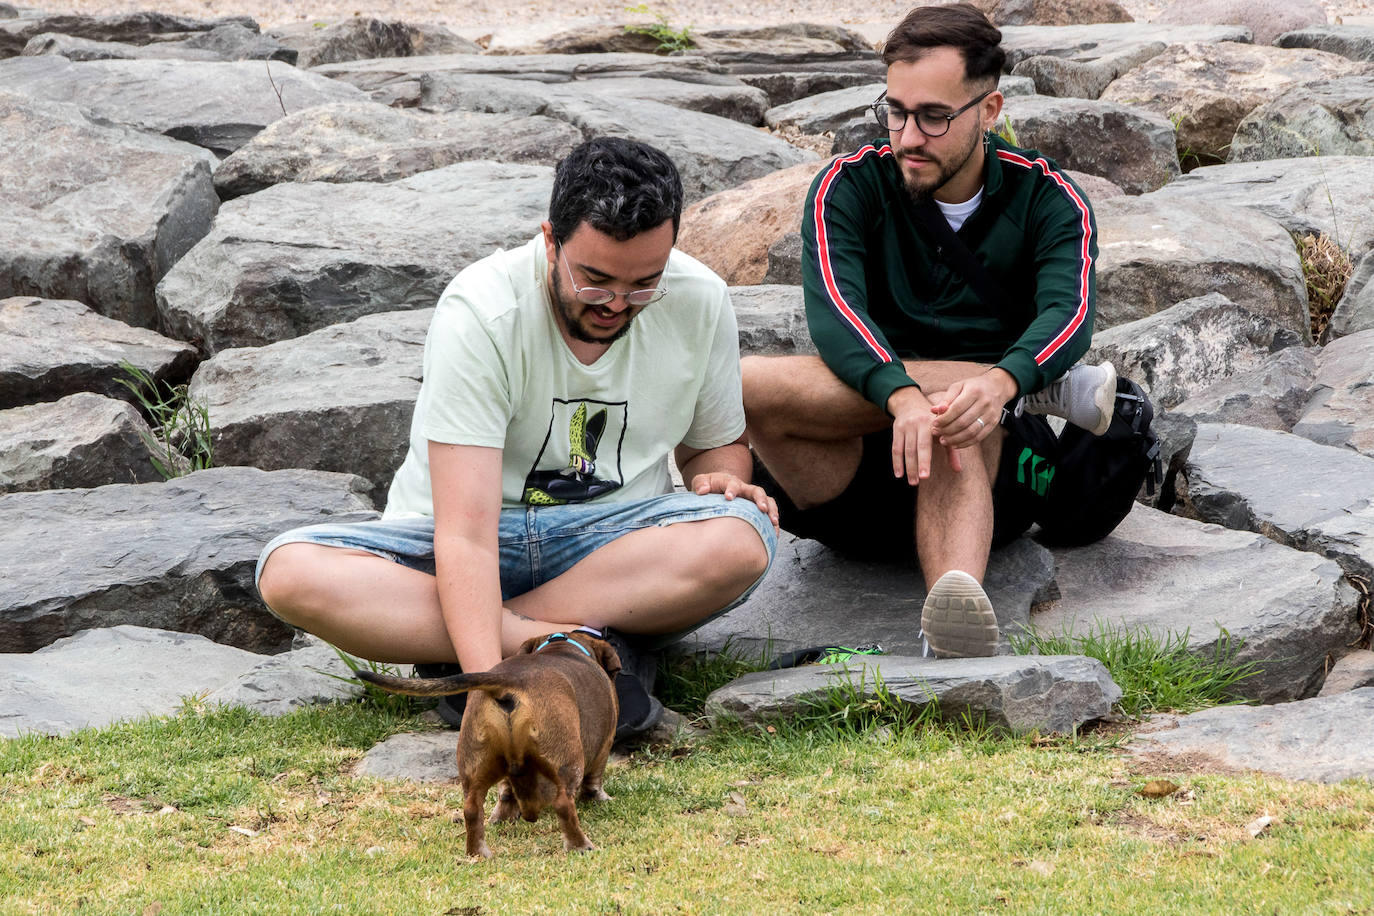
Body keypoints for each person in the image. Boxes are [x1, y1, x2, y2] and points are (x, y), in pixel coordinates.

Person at [256, 138, 779, 737]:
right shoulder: (482, 309)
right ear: (550, 241)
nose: (616, 305)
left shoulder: (701, 298)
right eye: (595, 281)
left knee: (744, 537)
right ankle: (581, 650)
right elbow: (466, 535)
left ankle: (485, 639)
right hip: (464, 536)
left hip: (609, 547)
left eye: (642, 286)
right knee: (289, 572)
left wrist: (722, 478)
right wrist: (495, 690)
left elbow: (716, 446)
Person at [743, 3, 1115, 659]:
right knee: (745, 384)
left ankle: (954, 610)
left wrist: (999, 381)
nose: (908, 136)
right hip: (861, 455)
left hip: (984, 461)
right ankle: (1035, 391)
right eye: (896, 111)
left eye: (934, 117)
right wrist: (901, 397)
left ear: (990, 109)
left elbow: (1069, 315)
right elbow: (836, 314)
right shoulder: (848, 186)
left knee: (963, 414)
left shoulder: (1048, 198)